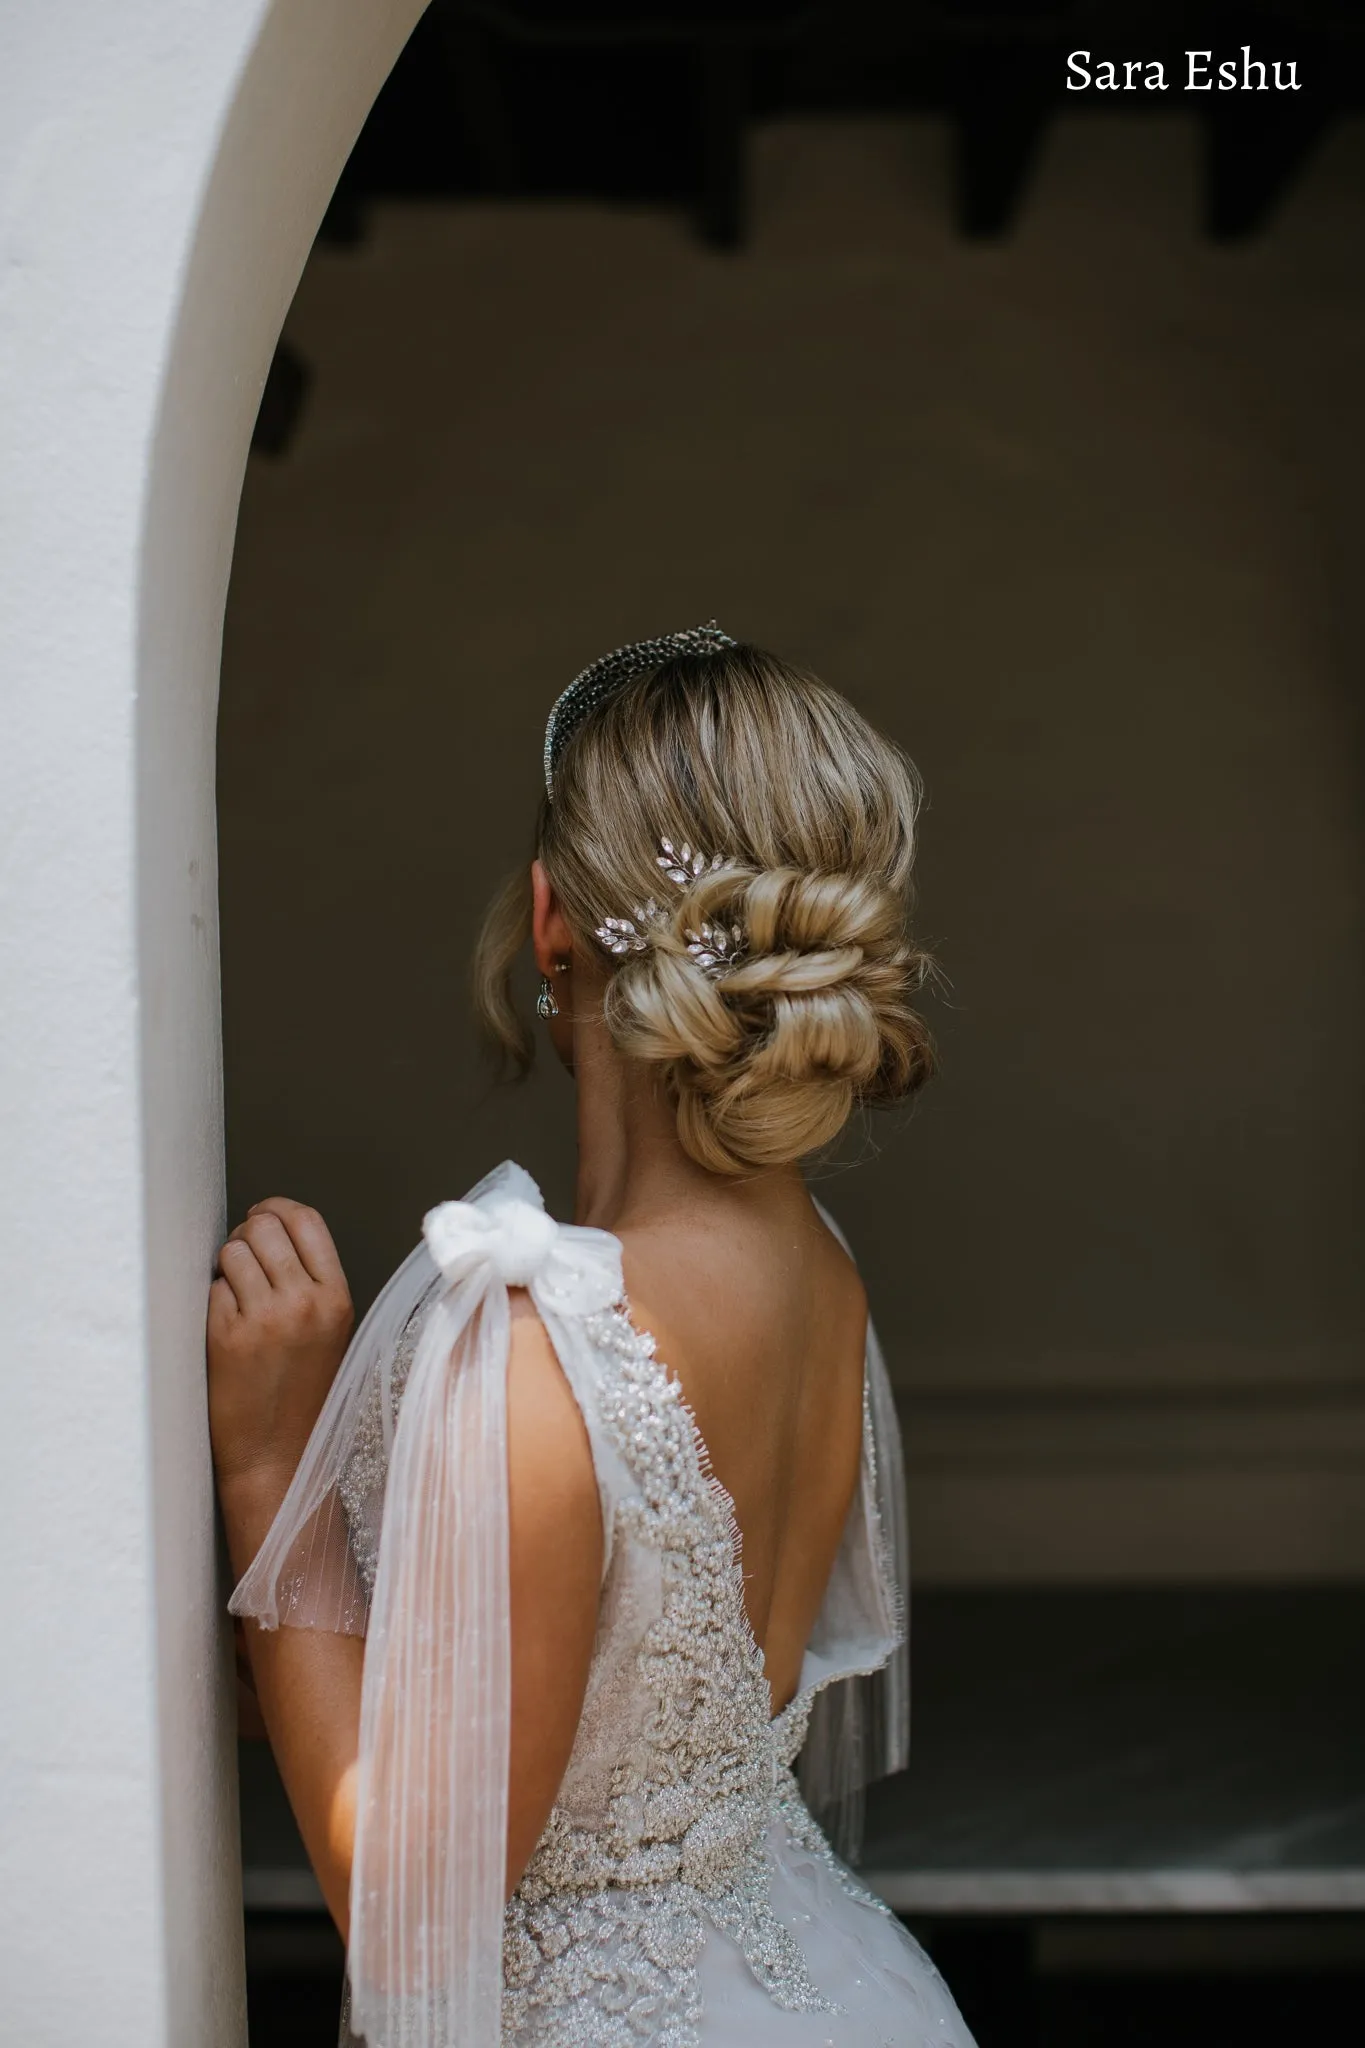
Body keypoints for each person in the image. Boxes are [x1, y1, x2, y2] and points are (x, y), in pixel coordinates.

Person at [210, 627, 977, 2048]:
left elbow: (412, 1916)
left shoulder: (545, 1344)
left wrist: (272, 1483)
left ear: (551, 919)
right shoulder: (823, 1272)